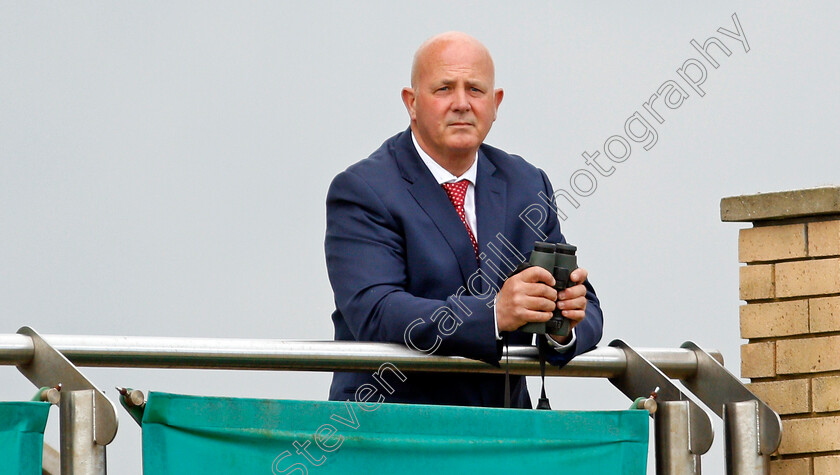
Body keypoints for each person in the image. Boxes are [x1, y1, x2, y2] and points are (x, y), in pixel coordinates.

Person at [325, 32, 602, 408]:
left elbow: (588, 310)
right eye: (443, 88)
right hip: (394, 432)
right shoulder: (362, 189)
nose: (461, 104)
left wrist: (560, 324)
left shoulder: (526, 182)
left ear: (495, 102)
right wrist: (494, 314)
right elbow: (377, 311)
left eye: (475, 89)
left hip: (502, 438)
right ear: (411, 103)